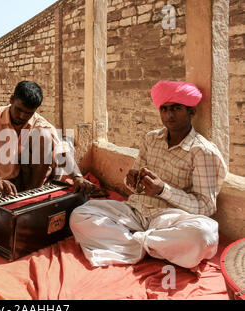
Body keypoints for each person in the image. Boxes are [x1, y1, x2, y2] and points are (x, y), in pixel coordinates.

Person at [69, 80, 227, 269]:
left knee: (204, 235)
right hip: (136, 211)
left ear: (191, 112)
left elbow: (206, 207)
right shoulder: (151, 139)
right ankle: (150, 245)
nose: (168, 115)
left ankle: (132, 243)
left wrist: (163, 191)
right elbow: (135, 185)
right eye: (164, 109)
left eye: (176, 108)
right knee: (80, 214)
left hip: (169, 219)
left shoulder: (202, 151)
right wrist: (132, 181)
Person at [0, 80, 94, 200]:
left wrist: (78, 177)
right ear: (11, 100)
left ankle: (32, 195)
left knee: (44, 135)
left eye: (28, 113)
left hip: (27, 184)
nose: (22, 116)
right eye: (19, 109)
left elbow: (61, 152)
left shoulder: (40, 124)